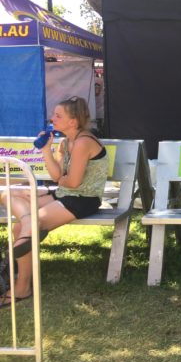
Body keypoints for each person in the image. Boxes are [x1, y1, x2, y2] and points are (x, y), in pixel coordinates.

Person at [0, 96, 109, 308]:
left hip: (82, 200)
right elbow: (57, 175)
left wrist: (61, 179)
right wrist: (46, 150)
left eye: (58, 115)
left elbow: (73, 182)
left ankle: (22, 288)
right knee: (6, 194)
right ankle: (29, 220)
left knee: (22, 228)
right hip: (64, 194)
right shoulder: (65, 142)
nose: (52, 118)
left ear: (73, 121)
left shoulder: (83, 142)